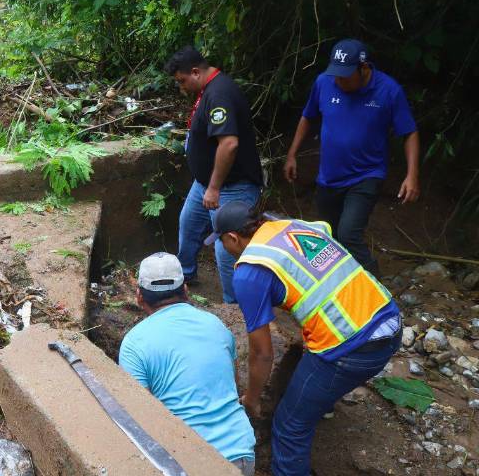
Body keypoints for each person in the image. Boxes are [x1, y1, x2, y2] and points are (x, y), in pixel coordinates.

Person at [210, 201, 401, 476]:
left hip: (351, 350)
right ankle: (321, 402)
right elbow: (323, 241)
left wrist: (252, 399)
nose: (224, 249)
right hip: (388, 318)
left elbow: (262, 354)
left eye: (221, 242)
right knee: (309, 382)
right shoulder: (295, 227)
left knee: (289, 426)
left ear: (232, 237)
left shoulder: (250, 272)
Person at [284, 39, 420, 275]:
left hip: (366, 175)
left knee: (349, 233)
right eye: (336, 74)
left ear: (364, 68)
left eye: (345, 76)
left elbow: (409, 132)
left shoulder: (388, 90)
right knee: (331, 237)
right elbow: (307, 117)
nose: (339, 80)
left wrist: (412, 175)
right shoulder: (324, 83)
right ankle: (343, 288)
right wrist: (292, 154)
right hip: (328, 176)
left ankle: (375, 287)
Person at [118, 252, 256, 475]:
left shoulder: (134, 343)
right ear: (185, 290)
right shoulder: (216, 325)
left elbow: (137, 418)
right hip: (241, 454)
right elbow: (233, 384)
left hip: (187, 462)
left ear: (139, 297)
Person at [165, 46, 263, 302]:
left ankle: (235, 305)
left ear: (196, 72)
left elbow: (229, 143)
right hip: (205, 183)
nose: (182, 87)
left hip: (231, 186)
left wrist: (214, 187)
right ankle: (184, 276)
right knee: (189, 224)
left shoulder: (219, 94)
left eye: (182, 81)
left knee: (227, 246)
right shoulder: (208, 90)